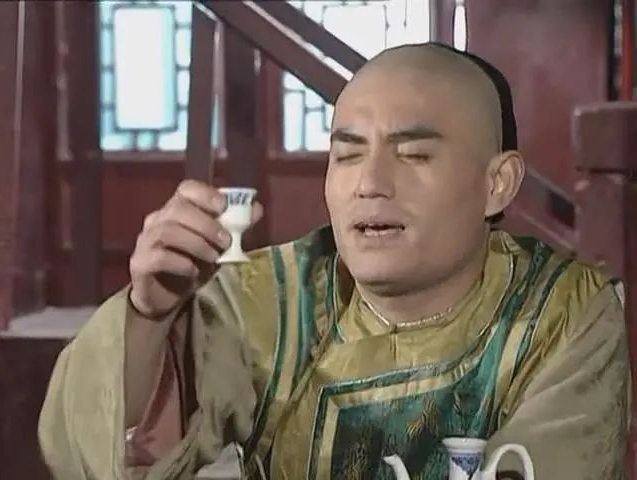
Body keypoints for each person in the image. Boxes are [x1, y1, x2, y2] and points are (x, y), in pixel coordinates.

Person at [38, 42, 629, 480]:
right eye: (346, 156)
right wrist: (149, 316)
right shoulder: (272, 299)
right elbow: (95, 460)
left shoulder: (562, 312)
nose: (369, 183)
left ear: (497, 184)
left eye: (414, 155)